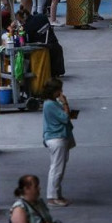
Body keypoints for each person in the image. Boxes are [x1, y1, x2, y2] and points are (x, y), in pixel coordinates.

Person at [42, 79, 74, 207]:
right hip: (57, 138)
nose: (61, 92)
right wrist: (65, 103)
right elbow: (65, 118)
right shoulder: (50, 104)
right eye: (58, 90)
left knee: (58, 167)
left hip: (57, 137)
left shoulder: (52, 103)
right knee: (56, 169)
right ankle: (52, 197)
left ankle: (56, 194)